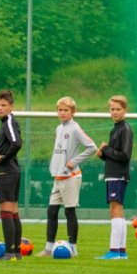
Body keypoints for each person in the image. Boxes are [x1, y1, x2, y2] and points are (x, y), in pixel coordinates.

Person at [38, 96, 97, 257]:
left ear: (73, 112)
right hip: (58, 177)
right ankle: (48, 248)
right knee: (51, 212)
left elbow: (92, 147)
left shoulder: (75, 128)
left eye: (66, 110)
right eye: (60, 110)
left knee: (69, 212)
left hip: (71, 177)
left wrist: (74, 161)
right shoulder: (59, 128)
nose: (62, 113)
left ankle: (73, 247)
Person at [95, 95, 133, 260]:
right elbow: (114, 156)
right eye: (112, 109)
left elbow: (124, 155)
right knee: (117, 210)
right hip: (113, 174)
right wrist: (103, 154)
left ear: (125, 110)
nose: (115, 112)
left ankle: (115, 251)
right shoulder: (115, 129)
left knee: (115, 210)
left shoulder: (125, 129)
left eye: (118, 109)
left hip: (118, 175)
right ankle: (121, 251)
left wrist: (106, 149)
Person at [0, 90, 23, 261]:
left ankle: (9, 252)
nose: (0, 108)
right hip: (13, 170)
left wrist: (3, 158)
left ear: (11, 107)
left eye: (4, 105)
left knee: (5, 210)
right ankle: (17, 251)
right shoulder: (7, 122)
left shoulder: (9, 122)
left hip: (7, 171)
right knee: (13, 211)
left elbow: (17, 142)